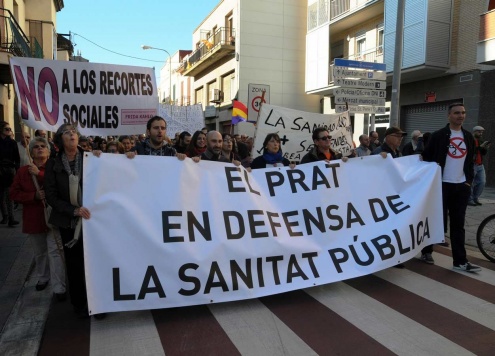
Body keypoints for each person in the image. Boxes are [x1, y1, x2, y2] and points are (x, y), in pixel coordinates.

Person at [44, 123, 106, 318]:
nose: (72, 135)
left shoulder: (92, 158)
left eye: (74, 132)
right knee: (74, 263)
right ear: (60, 139)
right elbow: (51, 196)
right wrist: (73, 210)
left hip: (92, 219)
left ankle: (98, 303)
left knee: (95, 262)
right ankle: (80, 303)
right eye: (67, 133)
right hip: (69, 221)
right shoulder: (52, 163)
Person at [421, 103, 481, 272]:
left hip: (461, 186)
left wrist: (468, 182)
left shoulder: (468, 136)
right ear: (449, 116)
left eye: (463, 112)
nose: (460, 116)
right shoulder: (439, 136)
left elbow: (470, 161)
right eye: (456, 113)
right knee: (434, 220)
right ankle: (426, 251)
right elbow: (426, 157)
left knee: (458, 224)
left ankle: (460, 261)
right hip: (441, 185)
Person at [10, 137, 66, 300]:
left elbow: (61, 187)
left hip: (54, 218)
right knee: (40, 252)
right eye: (36, 147)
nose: (40, 149)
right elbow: (14, 194)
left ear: (49, 151)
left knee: (55, 252)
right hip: (34, 218)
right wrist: (32, 196)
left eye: (43, 146)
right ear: (31, 151)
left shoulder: (55, 167)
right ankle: (43, 277)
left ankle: (59, 286)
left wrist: (39, 175)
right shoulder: (22, 171)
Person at [0, 121, 20, 226]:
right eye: (6, 129)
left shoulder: (12, 143)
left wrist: (17, 171)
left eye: (10, 129)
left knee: (9, 194)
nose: (9, 131)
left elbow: (17, 158)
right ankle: (5, 216)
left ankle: (11, 218)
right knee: (1, 195)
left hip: (9, 170)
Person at [468, 126, 490, 206]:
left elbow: (482, 153)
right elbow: (470, 151)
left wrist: (485, 148)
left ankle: (475, 197)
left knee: (482, 182)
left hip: (480, 164)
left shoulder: (481, 141)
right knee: (471, 183)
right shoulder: (469, 140)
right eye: (479, 132)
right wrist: (480, 147)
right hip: (472, 164)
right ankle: (469, 199)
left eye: (482, 132)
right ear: (474, 132)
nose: (481, 134)